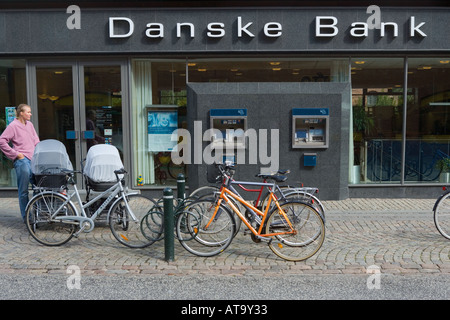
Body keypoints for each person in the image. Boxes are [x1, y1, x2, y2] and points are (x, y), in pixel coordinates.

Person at [0, 104, 40, 222]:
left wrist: (39, 153)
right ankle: (27, 218)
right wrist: (16, 154)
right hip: (22, 161)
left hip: (33, 160)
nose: (30, 114)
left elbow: (36, 140)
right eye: (28, 112)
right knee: (23, 191)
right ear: (21, 113)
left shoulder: (30, 125)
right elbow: (2, 141)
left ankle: (38, 215)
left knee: (38, 188)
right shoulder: (13, 126)